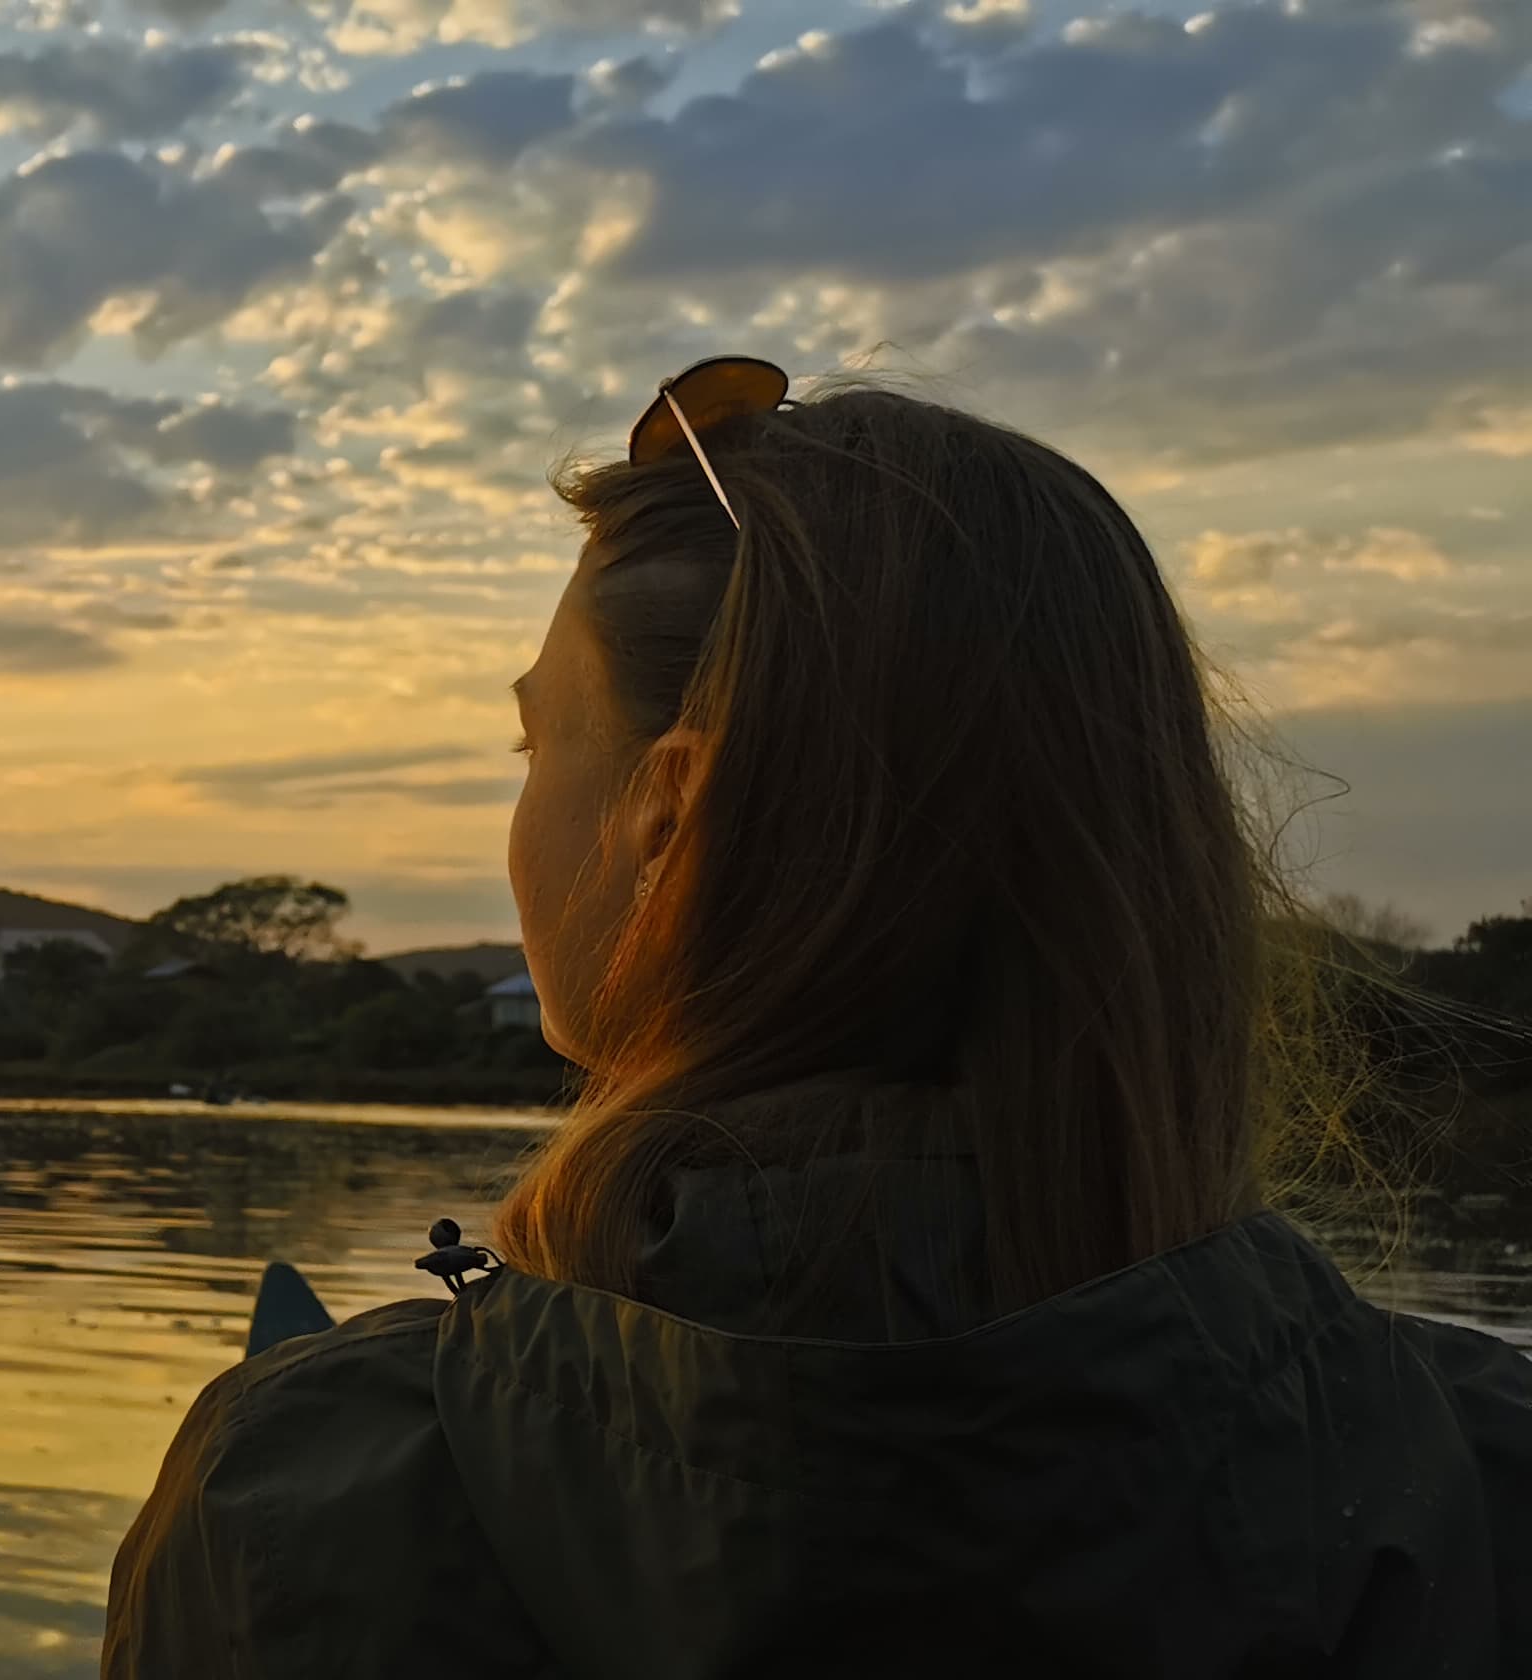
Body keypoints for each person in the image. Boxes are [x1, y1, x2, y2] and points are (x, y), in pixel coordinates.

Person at [101, 362, 1532, 1677]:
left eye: (535, 739)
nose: (521, 805)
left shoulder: (297, 1495)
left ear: (671, 814)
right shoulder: (1479, 1479)